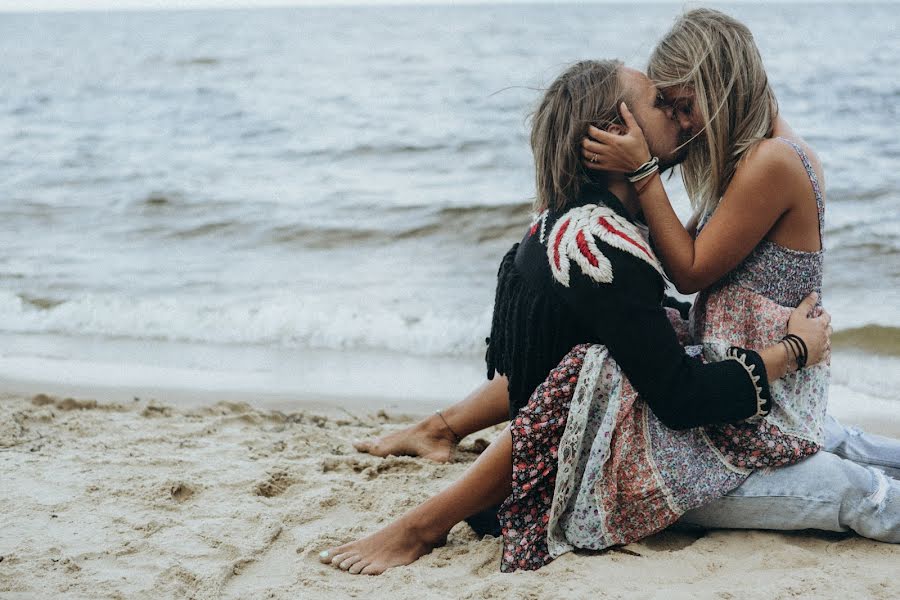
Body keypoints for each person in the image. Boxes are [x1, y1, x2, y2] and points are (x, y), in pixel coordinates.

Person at [318, 58, 833, 576]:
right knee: (853, 489)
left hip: (550, 445)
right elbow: (681, 399)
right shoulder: (602, 252)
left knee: (642, 346)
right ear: (616, 134)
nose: (680, 117)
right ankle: (422, 525)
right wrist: (793, 352)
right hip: (555, 482)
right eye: (661, 104)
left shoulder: (564, 220)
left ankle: (439, 437)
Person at [580, 7, 899, 539]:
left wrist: (641, 174)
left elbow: (689, 269)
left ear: (722, 85)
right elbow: (686, 249)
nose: (681, 124)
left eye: (686, 107)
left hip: (764, 408)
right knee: (849, 446)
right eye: (672, 110)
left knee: (857, 484)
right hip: (769, 388)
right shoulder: (764, 152)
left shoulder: (772, 161)